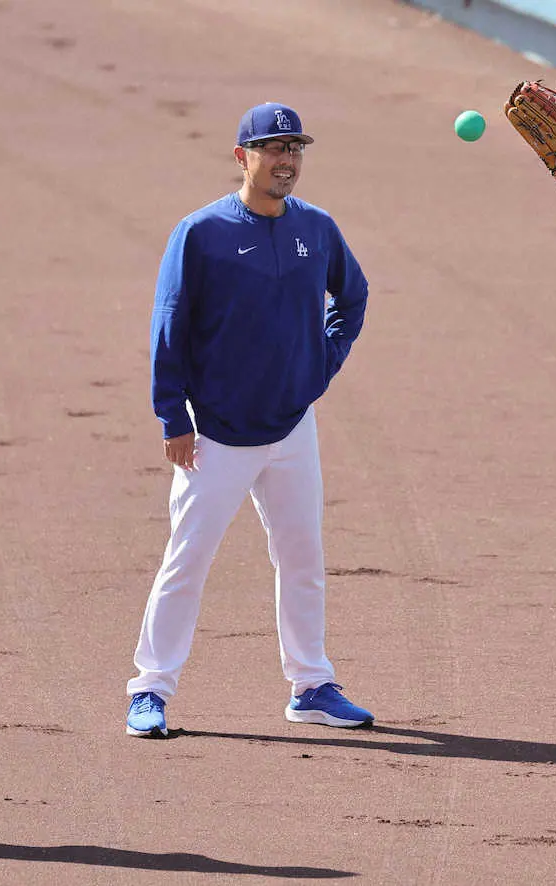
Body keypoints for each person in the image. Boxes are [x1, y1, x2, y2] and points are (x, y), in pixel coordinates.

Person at [125, 102, 374, 737]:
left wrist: (323, 362)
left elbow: (353, 295)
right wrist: (170, 417)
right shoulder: (201, 232)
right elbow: (168, 323)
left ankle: (312, 685)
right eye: (274, 148)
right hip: (214, 432)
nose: (286, 160)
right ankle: (149, 688)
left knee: (302, 556)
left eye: (295, 149)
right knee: (188, 558)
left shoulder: (316, 228)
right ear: (243, 157)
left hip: (291, 427)